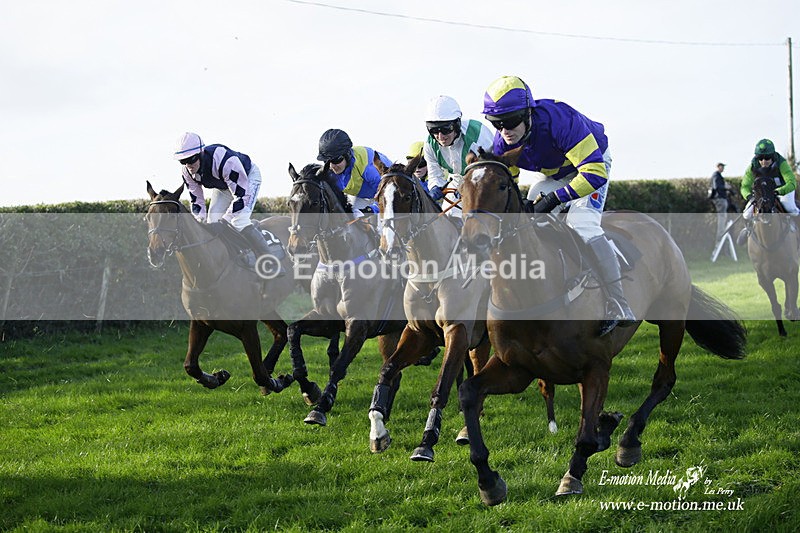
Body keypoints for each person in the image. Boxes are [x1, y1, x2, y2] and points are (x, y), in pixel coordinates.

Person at [482, 75, 635, 336]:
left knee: (582, 224)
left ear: (528, 113)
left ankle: (618, 303)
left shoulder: (560, 121)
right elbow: (508, 181)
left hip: (592, 165)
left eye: (510, 122)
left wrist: (553, 199)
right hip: (557, 174)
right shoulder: (502, 142)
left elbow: (594, 173)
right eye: (496, 124)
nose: (504, 130)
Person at [173, 132, 281, 272]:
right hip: (223, 186)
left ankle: (270, 261)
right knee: (213, 221)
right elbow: (197, 202)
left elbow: (242, 196)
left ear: (201, 153)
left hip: (247, 180)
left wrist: (225, 221)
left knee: (238, 221)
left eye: (191, 159)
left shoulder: (226, 161)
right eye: (183, 161)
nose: (188, 165)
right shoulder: (186, 172)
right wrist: (199, 223)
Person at [423, 95, 495, 217]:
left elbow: (489, 173)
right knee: (449, 214)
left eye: (446, 129)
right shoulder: (430, 144)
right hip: (457, 181)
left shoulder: (478, 136)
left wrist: (467, 187)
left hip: (487, 182)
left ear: (456, 124)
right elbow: (435, 175)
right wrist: (435, 187)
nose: (440, 137)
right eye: (433, 130)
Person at [736, 138, 799, 246]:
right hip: (762, 194)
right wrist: (749, 197)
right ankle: (747, 230)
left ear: (773, 156)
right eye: (760, 158)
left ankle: (797, 230)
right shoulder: (753, 166)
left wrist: (779, 191)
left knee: (791, 208)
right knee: (746, 214)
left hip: (782, 191)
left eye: (767, 158)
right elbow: (745, 186)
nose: (764, 161)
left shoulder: (781, 163)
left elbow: (792, 182)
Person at [316, 128, 392, 215]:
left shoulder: (368, 167)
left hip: (389, 193)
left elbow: (386, 197)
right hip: (364, 196)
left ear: (347, 155)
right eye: (327, 161)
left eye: (336, 160)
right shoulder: (329, 172)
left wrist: (370, 210)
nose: (332, 166)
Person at [708, 162, 731, 241]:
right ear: (718, 167)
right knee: (722, 220)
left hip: (721, 199)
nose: (723, 168)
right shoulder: (716, 175)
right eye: (722, 166)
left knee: (723, 219)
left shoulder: (718, 176)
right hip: (720, 199)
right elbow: (716, 186)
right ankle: (720, 240)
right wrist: (725, 187)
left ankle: (721, 239)